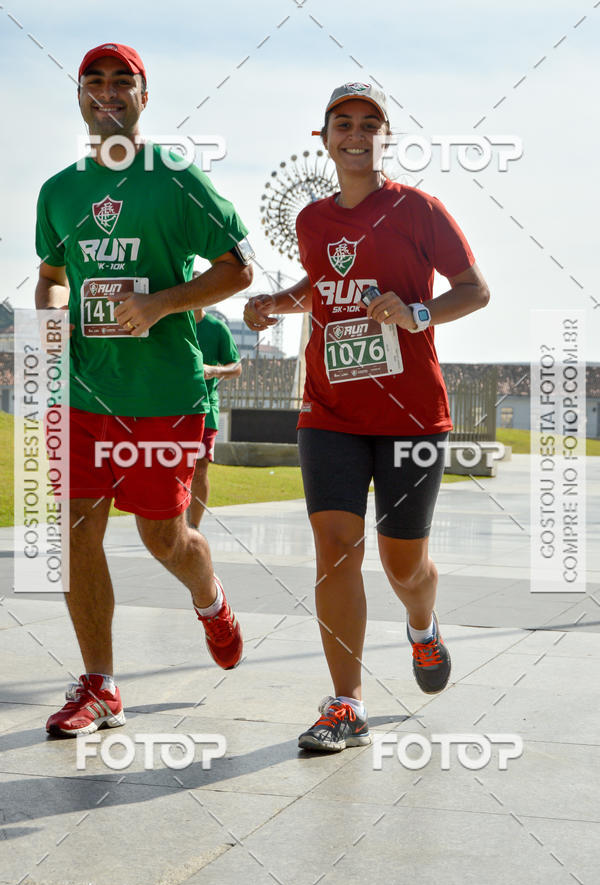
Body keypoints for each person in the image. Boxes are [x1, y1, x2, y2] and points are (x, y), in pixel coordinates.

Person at [244, 83, 489, 752]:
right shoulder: (312, 221)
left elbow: (474, 290)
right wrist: (276, 301)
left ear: (386, 137)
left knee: (402, 565)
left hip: (412, 416)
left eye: (369, 123)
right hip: (329, 412)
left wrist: (414, 314)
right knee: (335, 551)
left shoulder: (418, 210)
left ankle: (422, 624)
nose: (355, 133)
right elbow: (321, 285)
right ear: (322, 137)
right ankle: (346, 704)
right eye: (342, 123)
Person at [35, 43, 253, 737]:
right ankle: (99, 686)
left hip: (163, 396)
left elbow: (237, 270)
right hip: (84, 395)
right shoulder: (58, 190)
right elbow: (52, 274)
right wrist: (47, 319)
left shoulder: (177, 179)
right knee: (72, 536)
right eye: (93, 81)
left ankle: (211, 599)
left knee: (165, 538)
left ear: (143, 96)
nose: (107, 92)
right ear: (79, 96)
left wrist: (160, 304)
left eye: (121, 81)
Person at [188, 303, 242, 528]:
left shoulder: (217, 328)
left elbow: (236, 366)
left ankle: (193, 528)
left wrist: (214, 370)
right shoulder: (171, 324)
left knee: (199, 469)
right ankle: (173, 527)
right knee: (170, 469)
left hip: (205, 409)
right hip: (169, 408)